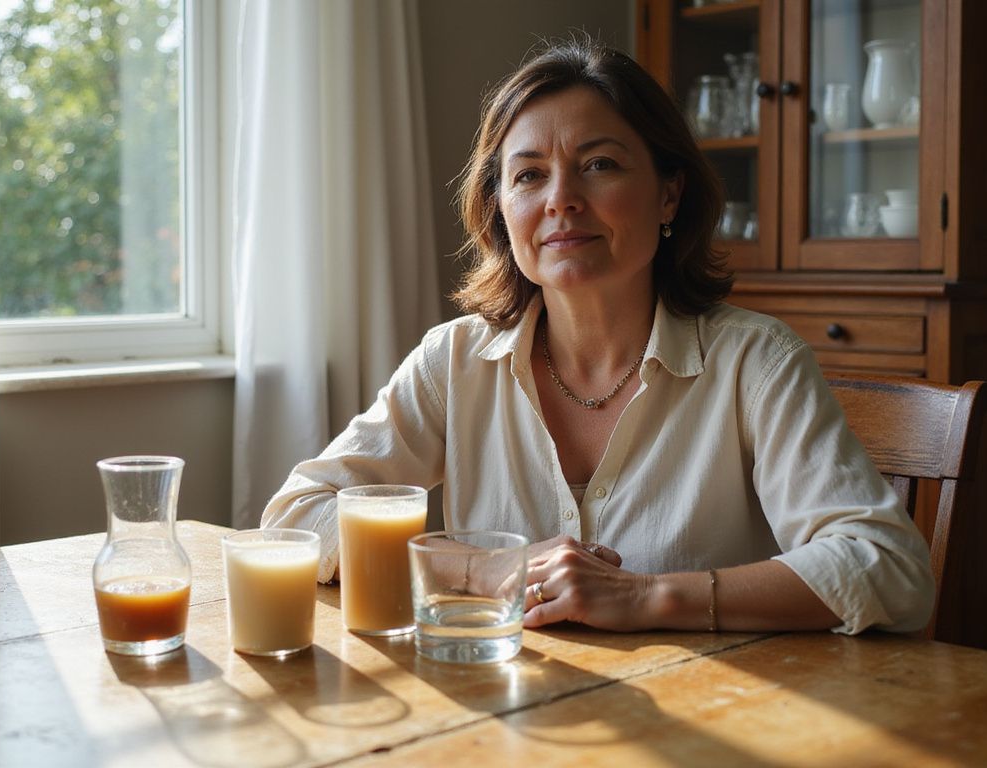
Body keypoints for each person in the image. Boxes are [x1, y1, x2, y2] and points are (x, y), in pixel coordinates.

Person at [263, 39, 933, 635]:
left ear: (669, 195)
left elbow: (887, 566)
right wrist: (488, 569)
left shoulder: (757, 362)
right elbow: (295, 519)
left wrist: (647, 598)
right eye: (528, 175)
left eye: (600, 164)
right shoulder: (455, 361)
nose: (561, 199)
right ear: (501, 208)